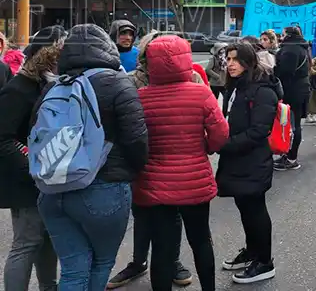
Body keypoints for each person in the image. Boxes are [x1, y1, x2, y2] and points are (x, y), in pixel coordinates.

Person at [36, 24, 149, 291]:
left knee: (73, 270)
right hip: (104, 187)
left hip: (53, 190)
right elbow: (136, 139)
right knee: (101, 261)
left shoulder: (53, 85)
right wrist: (132, 171)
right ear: (107, 49)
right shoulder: (118, 82)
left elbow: (35, 132)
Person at [133, 36, 229, 291]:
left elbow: (133, 140)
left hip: (155, 184)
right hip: (194, 180)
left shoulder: (141, 97)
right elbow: (220, 133)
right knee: (200, 241)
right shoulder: (200, 93)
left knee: (162, 247)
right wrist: (205, 147)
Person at [110, 31, 201, 288]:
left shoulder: (191, 77)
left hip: (177, 162)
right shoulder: (130, 81)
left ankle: (172, 261)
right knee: (142, 214)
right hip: (140, 160)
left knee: (172, 216)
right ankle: (139, 262)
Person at [0, 26, 65, 291]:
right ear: (45, 57)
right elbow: (3, 139)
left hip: (45, 178)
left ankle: (49, 287)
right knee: (26, 243)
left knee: (48, 239)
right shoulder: (18, 89)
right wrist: (34, 167)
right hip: (26, 181)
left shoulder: (45, 84)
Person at [217, 41, 278, 284]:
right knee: (245, 209)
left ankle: (264, 261)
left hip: (253, 160)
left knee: (255, 211)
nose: (230, 64)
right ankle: (252, 252)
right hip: (237, 159)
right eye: (228, 59)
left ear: (248, 61)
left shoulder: (262, 91)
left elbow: (258, 132)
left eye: (235, 59)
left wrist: (224, 144)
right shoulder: (235, 87)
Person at [274, 26, 311, 171]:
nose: (281, 37)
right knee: (292, 124)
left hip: (293, 90)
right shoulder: (300, 47)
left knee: (292, 125)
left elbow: (285, 71)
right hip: (300, 88)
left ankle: (291, 158)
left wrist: (273, 69)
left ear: (288, 35)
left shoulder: (291, 49)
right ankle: (289, 154)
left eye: (282, 34)